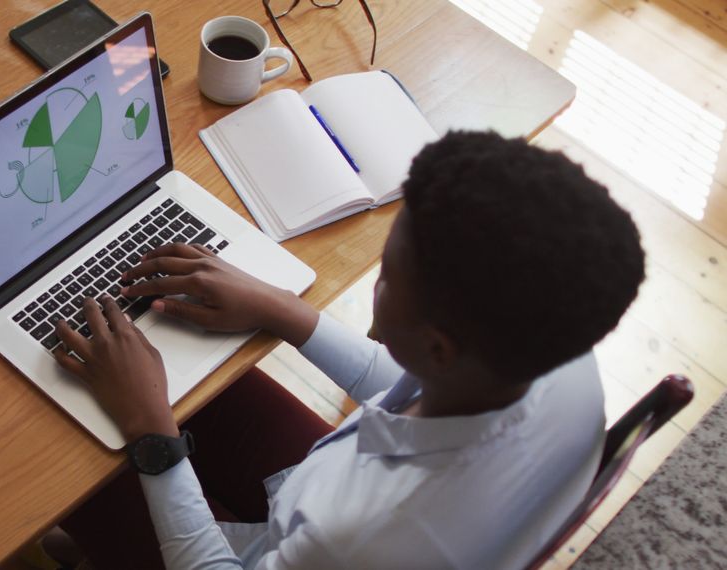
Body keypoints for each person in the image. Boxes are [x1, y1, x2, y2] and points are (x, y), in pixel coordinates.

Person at [49, 131, 646, 569]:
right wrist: (284, 309)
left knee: (68, 457)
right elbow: (417, 385)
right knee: (197, 390)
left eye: (387, 275)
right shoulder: (560, 349)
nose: (377, 284)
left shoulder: (365, 539)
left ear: (438, 346)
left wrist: (153, 431)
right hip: (349, 499)